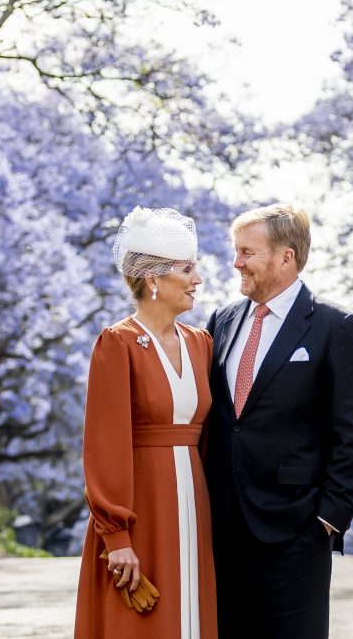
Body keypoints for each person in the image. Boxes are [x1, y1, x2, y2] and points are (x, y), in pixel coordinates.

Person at [204, 204, 353, 639]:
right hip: (222, 528)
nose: (236, 262)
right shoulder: (221, 322)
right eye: (236, 251)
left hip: (297, 529)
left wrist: (328, 519)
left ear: (286, 256)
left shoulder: (337, 326)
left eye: (247, 252)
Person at [75, 206, 217, 638]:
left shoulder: (201, 343)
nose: (197, 279)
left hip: (196, 506)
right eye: (188, 269)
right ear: (154, 278)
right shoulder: (116, 343)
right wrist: (117, 537)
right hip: (141, 509)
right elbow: (104, 445)